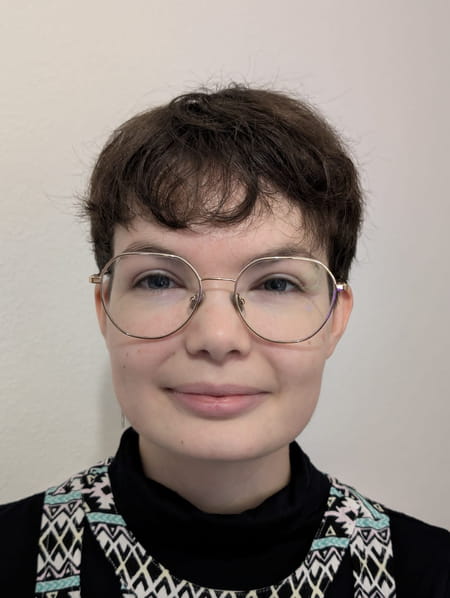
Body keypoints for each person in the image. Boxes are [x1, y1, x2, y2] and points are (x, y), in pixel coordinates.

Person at [1, 85, 448, 597]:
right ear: (105, 308)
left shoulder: (432, 574)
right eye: (158, 280)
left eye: (276, 284)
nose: (217, 337)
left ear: (334, 317)